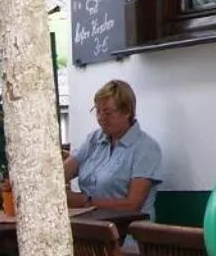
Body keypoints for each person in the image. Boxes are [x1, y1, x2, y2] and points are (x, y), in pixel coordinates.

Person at [66, 80, 163, 218]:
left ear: (127, 112)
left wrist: (85, 201)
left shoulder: (145, 148)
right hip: (92, 227)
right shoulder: (94, 140)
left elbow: (133, 205)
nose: (101, 118)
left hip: (128, 233)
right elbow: (61, 174)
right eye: (98, 111)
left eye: (108, 112)